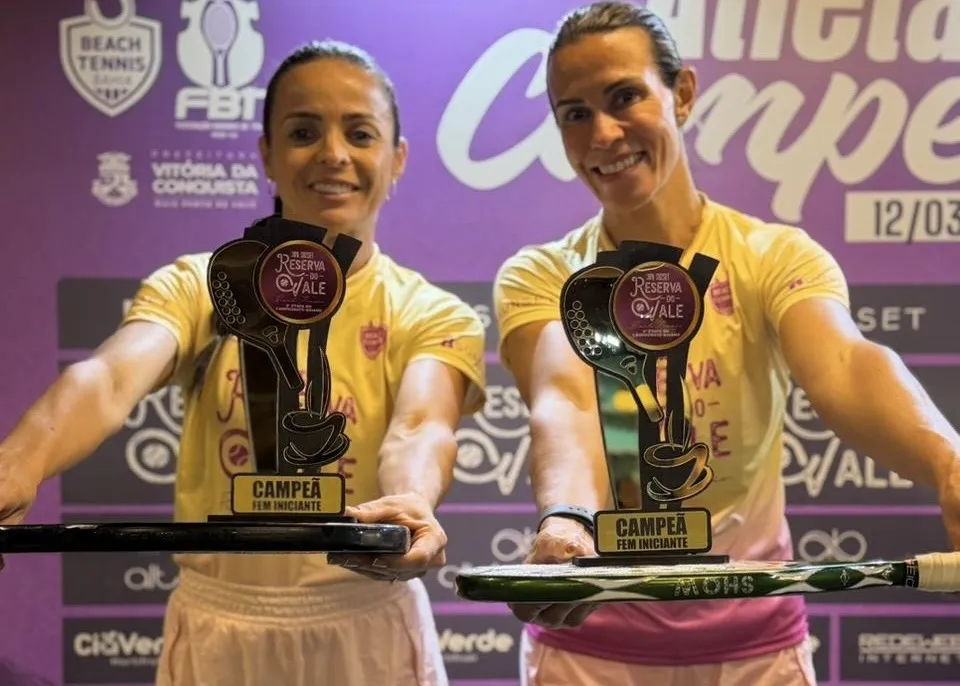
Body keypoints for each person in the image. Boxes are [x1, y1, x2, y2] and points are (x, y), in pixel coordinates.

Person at [493, 3, 960, 686]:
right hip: (589, 649)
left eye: (625, 97)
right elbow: (567, 402)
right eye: (575, 113)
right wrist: (566, 517)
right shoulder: (540, 275)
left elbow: (845, 366)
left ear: (681, 94)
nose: (604, 132)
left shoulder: (773, 254)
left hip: (756, 647)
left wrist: (949, 462)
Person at [0, 40, 487, 686]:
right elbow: (110, 377)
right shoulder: (204, 284)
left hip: (368, 627)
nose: (333, 154)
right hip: (219, 630)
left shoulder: (431, 311)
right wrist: (15, 468)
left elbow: (422, 427)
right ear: (267, 156)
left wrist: (410, 501)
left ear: (396, 160)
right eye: (303, 131)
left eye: (360, 133)